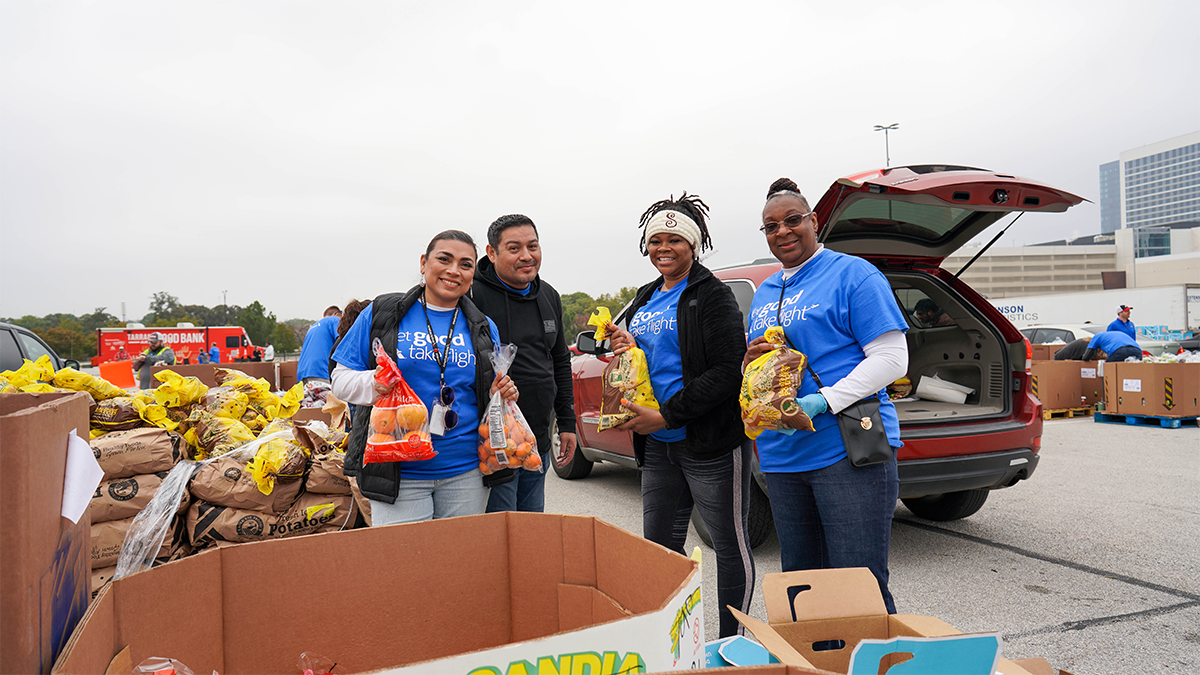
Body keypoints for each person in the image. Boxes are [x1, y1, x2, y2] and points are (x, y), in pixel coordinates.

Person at [743, 177, 909, 614]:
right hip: (782, 458)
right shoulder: (764, 291)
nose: (783, 232)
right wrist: (751, 364)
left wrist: (823, 401)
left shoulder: (852, 274)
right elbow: (767, 368)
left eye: (793, 220)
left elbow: (893, 358)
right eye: (771, 226)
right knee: (804, 590)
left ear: (813, 221)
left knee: (858, 589)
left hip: (845, 450)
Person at [601, 193, 754, 638]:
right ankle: (671, 643)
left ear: (694, 244)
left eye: (674, 240)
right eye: (655, 241)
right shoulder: (647, 295)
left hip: (709, 445)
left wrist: (667, 416)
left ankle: (731, 647)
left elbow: (729, 371)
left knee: (729, 546)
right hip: (658, 450)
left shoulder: (712, 296)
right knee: (660, 551)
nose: (663, 248)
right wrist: (628, 347)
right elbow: (654, 358)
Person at [331, 230, 518, 525]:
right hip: (399, 470)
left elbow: (487, 390)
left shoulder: (483, 326)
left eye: (466, 264)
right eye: (444, 259)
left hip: (466, 471)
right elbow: (340, 380)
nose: (454, 270)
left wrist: (502, 392)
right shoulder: (382, 313)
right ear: (423, 263)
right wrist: (374, 384)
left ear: (472, 274)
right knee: (404, 566)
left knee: (456, 564)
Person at [471, 214, 576, 514]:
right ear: (491, 253)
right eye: (514, 248)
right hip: (490, 443)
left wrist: (567, 422)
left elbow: (560, 362)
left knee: (531, 531)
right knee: (499, 533)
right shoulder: (473, 295)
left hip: (536, 440)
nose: (526, 256)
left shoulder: (548, 296)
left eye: (533, 246)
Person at [299, 306, 343, 385]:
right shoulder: (334, 319)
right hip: (321, 372)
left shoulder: (312, 327)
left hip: (302, 374)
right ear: (336, 314)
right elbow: (342, 340)